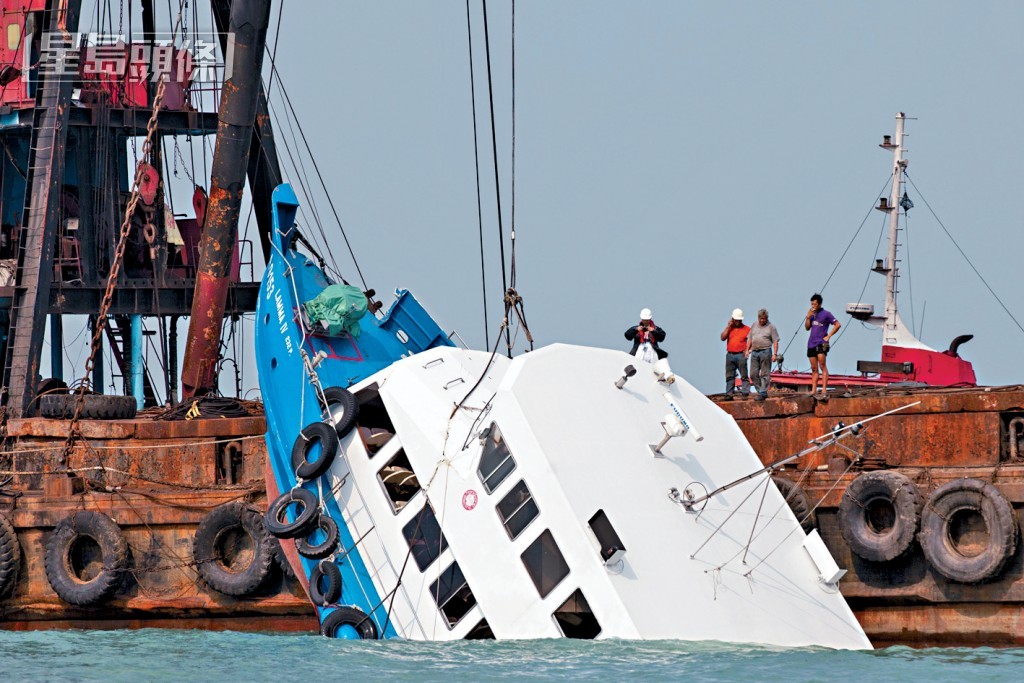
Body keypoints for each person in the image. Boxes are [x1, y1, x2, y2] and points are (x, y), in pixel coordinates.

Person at [805, 293, 841, 399]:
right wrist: (808, 317)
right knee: (814, 368)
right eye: (812, 303)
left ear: (819, 304)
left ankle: (824, 389)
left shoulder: (826, 314)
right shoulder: (811, 314)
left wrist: (829, 335)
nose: (813, 306)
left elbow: (838, 324)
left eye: (815, 304)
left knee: (822, 366)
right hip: (811, 343)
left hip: (821, 343)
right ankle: (813, 390)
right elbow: (807, 328)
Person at [746, 308, 779, 401]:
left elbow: (775, 341)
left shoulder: (771, 327)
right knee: (753, 374)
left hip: (766, 351)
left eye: (764, 318)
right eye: (760, 318)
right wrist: (747, 350)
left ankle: (763, 392)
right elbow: (750, 338)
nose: (762, 320)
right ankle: (761, 391)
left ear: (767, 318)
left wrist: (775, 354)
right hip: (755, 351)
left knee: (765, 373)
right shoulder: (754, 325)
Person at [720, 308, 750, 400]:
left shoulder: (747, 329)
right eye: (736, 320)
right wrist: (728, 327)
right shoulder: (730, 328)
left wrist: (748, 350)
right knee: (730, 376)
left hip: (741, 354)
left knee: (744, 375)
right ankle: (729, 394)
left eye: (739, 320)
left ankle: (745, 393)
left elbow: (752, 341)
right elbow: (722, 337)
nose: (737, 321)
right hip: (730, 355)